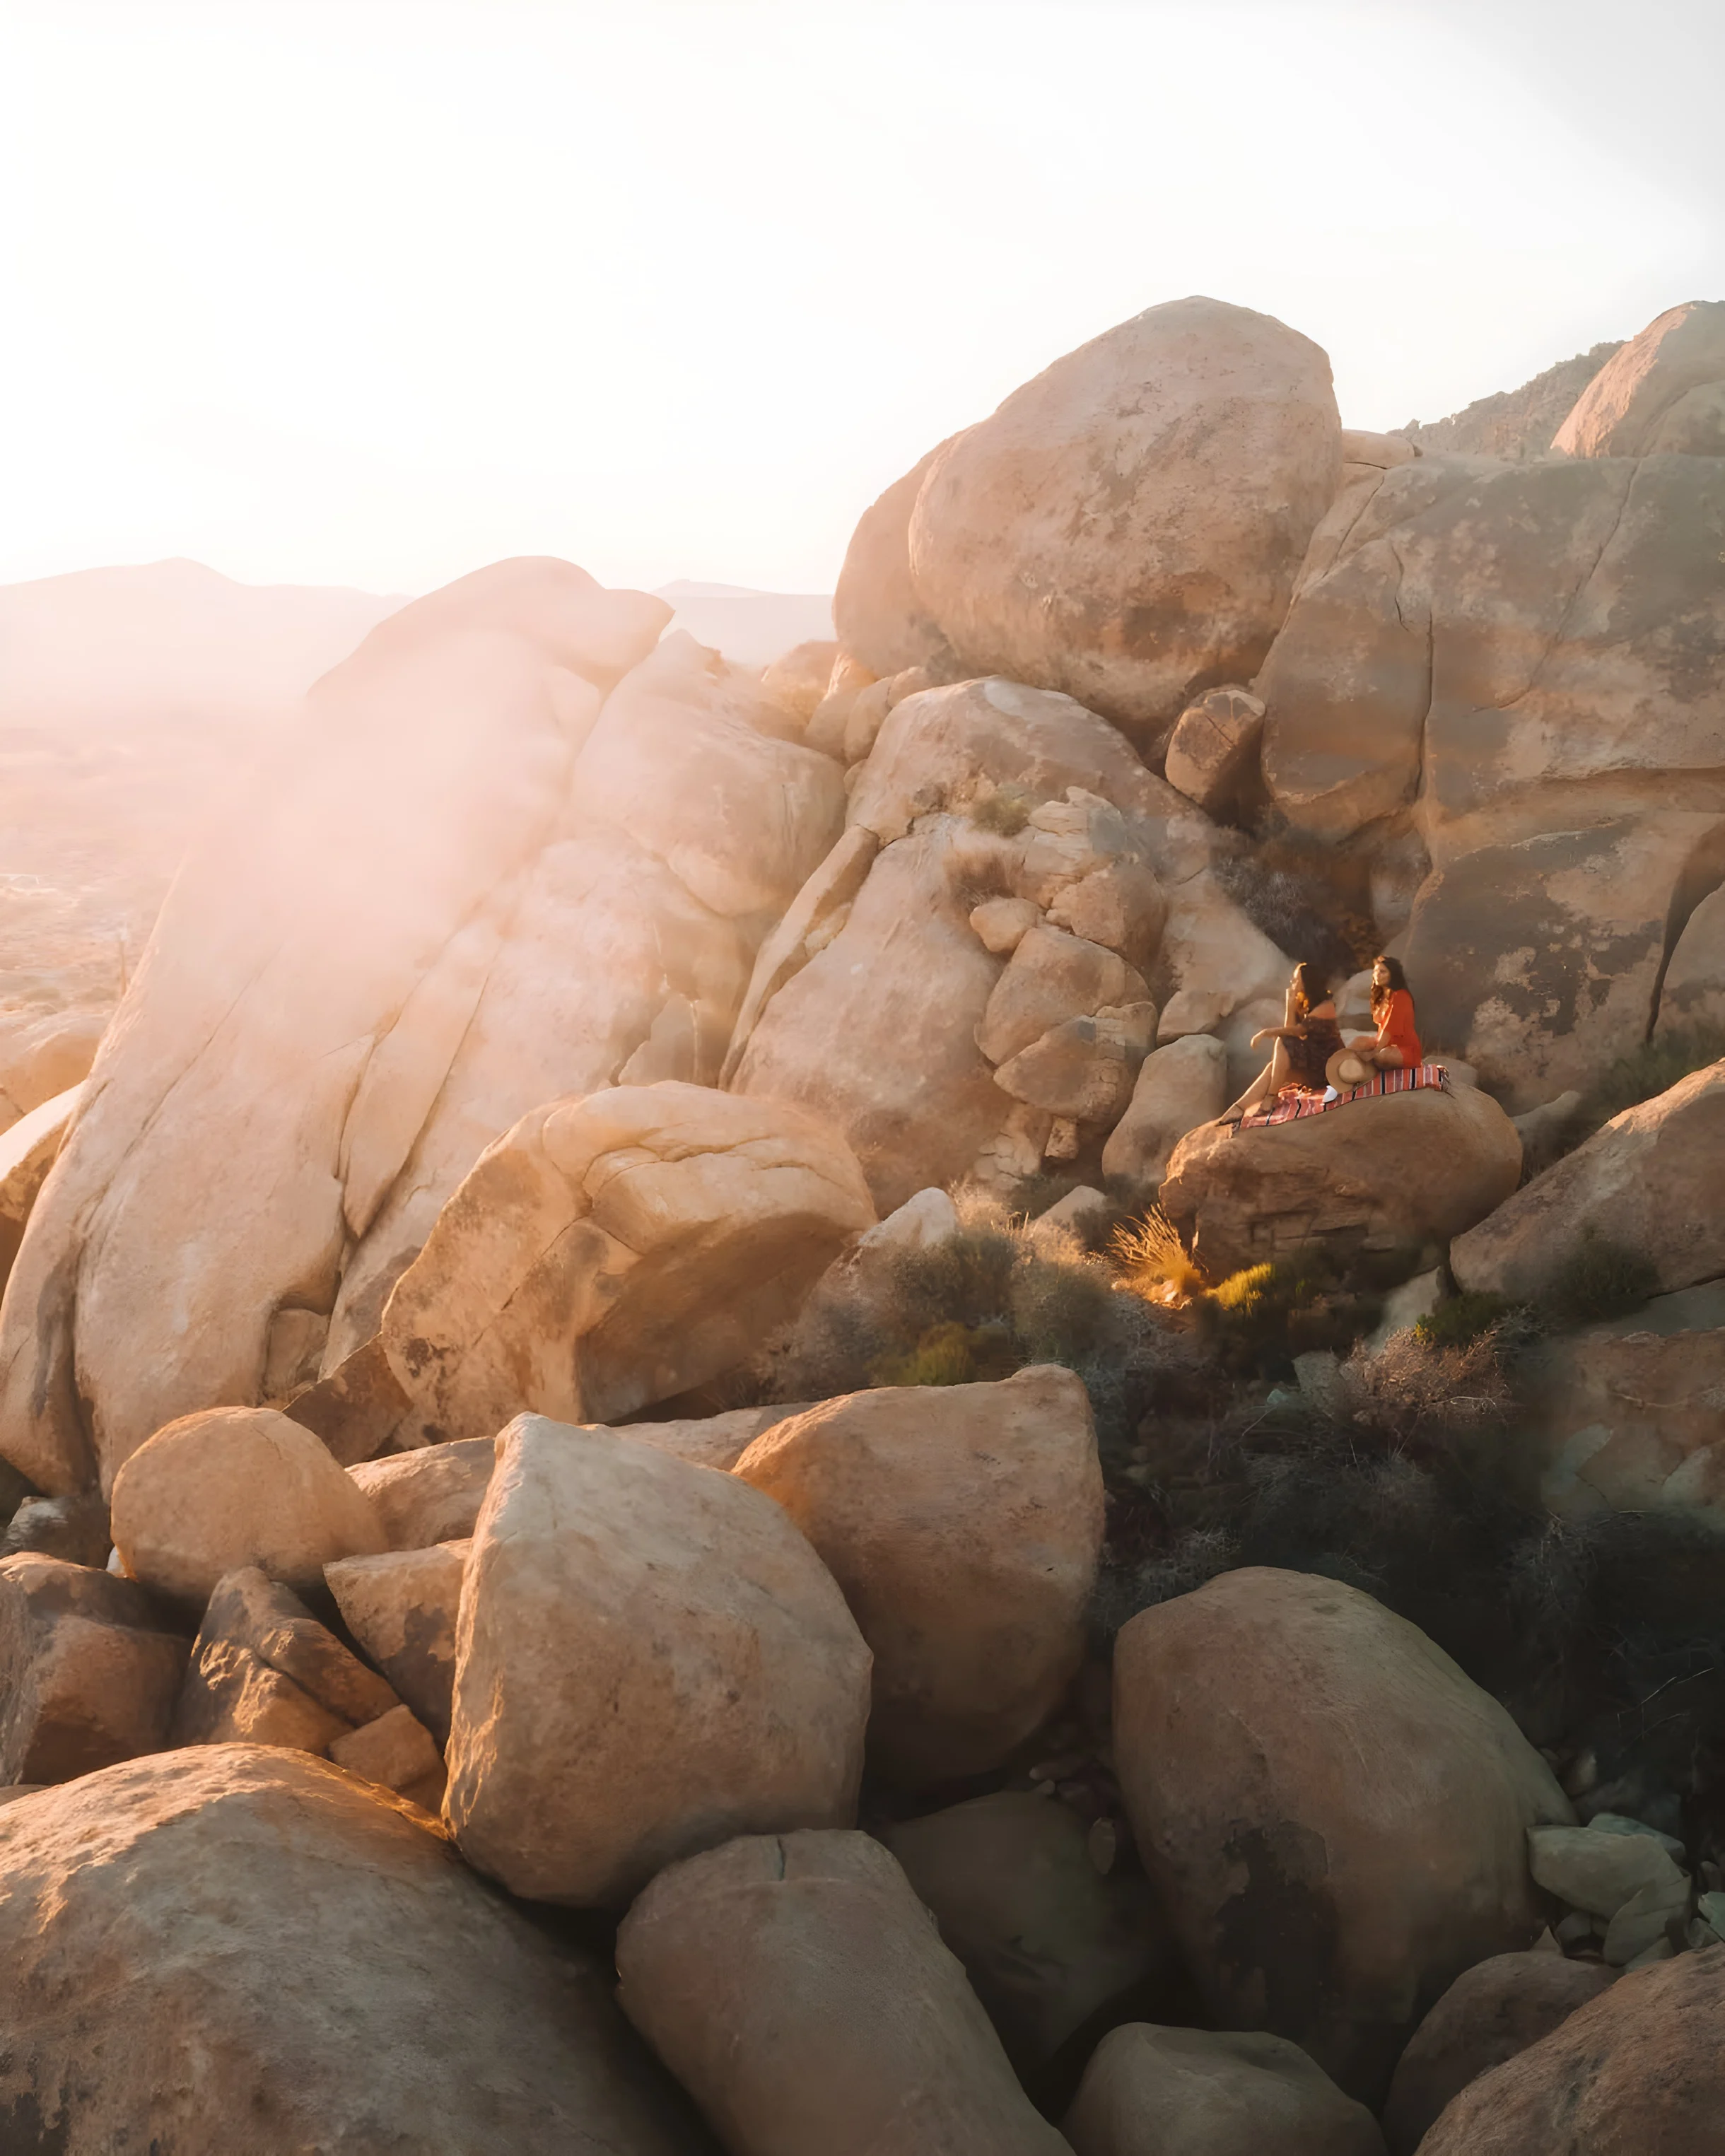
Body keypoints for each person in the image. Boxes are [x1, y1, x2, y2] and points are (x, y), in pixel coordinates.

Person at [1220, 961, 1343, 1123]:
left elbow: (1297, 1032)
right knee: (1272, 1067)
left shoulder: (1326, 1006)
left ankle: (1270, 1097)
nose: (1293, 983)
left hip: (1328, 1069)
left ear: (1308, 982)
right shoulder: (1305, 1005)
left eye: (1296, 980)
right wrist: (1290, 1006)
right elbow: (1290, 1031)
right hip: (1313, 1067)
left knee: (1281, 1040)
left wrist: (1266, 1032)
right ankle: (1239, 1108)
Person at [1335, 954, 1421, 1080]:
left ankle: (1364, 1072)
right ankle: (1339, 1069)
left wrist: (1374, 1052)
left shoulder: (1401, 996)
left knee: (1382, 1056)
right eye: (1376, 971)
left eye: (1383, 972)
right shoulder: (1383, 996)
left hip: (1404, 1049)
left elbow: (1389, 1029)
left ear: (1393, 975)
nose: (1377, 975)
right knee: (1359, 1041)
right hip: (1385, 1043)